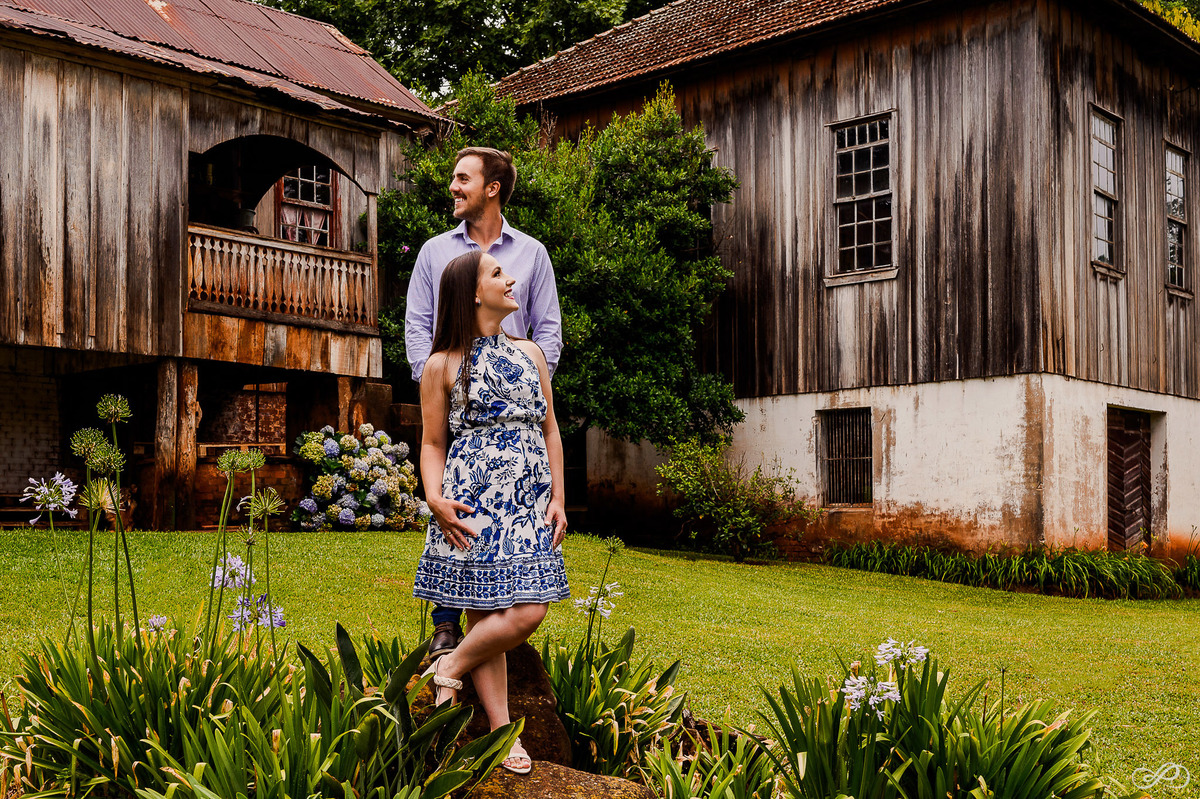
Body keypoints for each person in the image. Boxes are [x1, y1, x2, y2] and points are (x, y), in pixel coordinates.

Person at [413, 249, 569, 775]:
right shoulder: (441, 365)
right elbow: (433, 442)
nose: (511, 278)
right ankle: (503, 733)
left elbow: (549, 430)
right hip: (471, 499)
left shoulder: (530, 353)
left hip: (529, 502)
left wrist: (559, 497)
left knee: (529, 609)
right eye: (497, 273)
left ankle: (450, 664)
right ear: (472, 293)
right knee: (486, 610)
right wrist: (435, 499)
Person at [405, 146, 563, 658]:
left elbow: (548, 327)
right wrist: (447, 381)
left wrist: (524, 383)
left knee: (511, 533)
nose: (453, 187)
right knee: (457, 506)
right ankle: (446, 625)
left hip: (517, 403)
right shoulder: (435, 252)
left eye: (462, 179)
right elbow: (417, 326)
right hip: (456, 396)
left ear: (491, 188)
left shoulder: (531, 253)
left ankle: (474, 646)